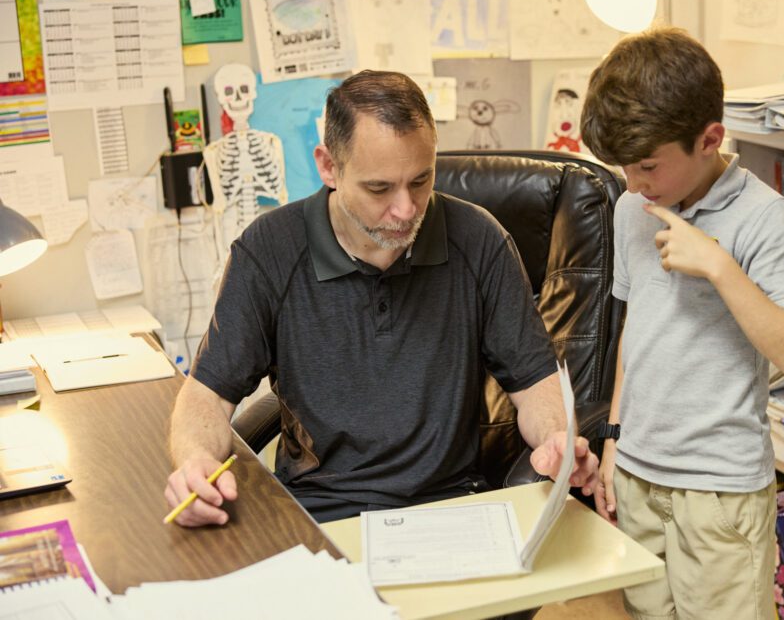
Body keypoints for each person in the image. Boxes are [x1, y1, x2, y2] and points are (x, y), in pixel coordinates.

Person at [165, 70, 598, 527]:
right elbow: (208, 397)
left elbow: (534, 384)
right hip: (324, 512)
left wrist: (556, 440)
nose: (406, 209)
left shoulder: (479, 240)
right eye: (379, 188)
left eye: (421, 180)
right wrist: (193, 462)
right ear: (329, 167)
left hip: (450, 508)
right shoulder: (269, 251)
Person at [580, 27, 784, 619]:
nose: (633, 184)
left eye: (647, 166)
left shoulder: (765, 219)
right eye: (624, 169)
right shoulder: (631, 207)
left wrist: (718, 265)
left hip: (719, 490)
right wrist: (613, 443)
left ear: (710, 139)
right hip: (636, 474)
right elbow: (635, 334)